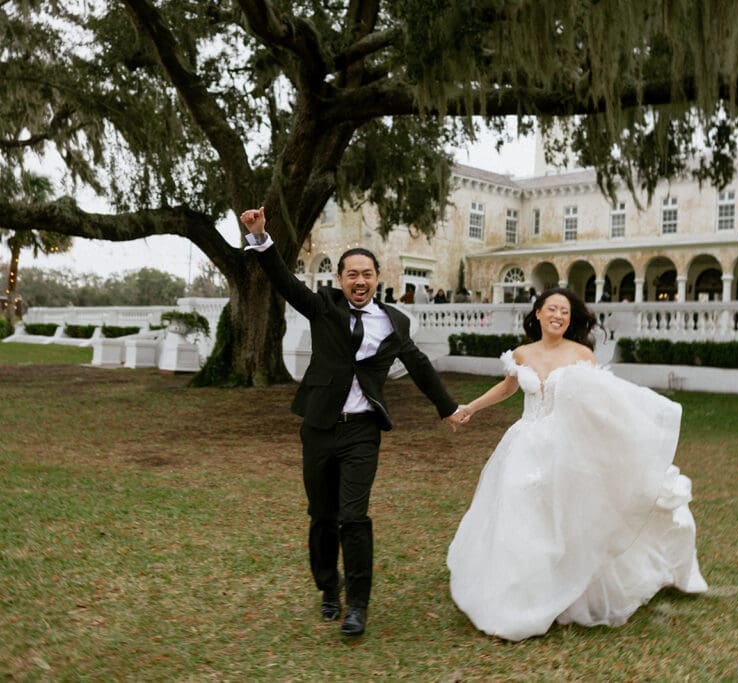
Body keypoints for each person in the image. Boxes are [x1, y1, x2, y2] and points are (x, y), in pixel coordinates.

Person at [239, 207, 463, 638]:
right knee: (321, 516)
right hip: (320, 427)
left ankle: (357, 606)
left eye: (367, 274)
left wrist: (447, 407)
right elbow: (286, 284)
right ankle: (329, 588)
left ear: (377, 278)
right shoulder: (322, 307)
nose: (359, 281)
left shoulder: (394, 321)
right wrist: (262, 238)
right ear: (340, 280)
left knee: (354, 517)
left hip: (362, 430)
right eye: (351, 274)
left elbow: (417, 365)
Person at [448, 287, 706, 641]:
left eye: (565, 312)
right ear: (537, 313)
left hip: (566, 446)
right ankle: (519, 593)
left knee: (566, 516)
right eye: (551, 309)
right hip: (524, 443)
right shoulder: (522, 353)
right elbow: (507, 388)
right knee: (518, 512)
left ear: (570, 320)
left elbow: (603, 401)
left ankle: (564, 589)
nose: (558, 316)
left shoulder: (582, 354)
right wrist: (471, 408)